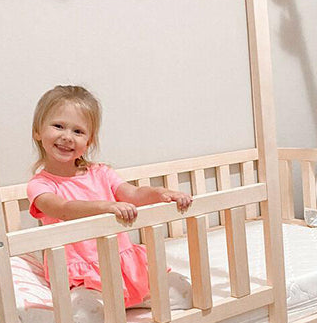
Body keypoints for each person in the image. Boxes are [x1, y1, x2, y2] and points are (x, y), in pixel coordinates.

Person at [27, 85, 193, 311]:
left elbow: (133, 194)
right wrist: (106, 207)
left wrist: (161, 193)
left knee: (182, 292)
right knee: (89, 311)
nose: (67, 137)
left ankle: (134, 297)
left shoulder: (101, 173)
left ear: (89, 141)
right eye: (58, 126)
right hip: (80, 271)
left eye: (78, 131)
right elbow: (63, 209)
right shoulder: (40, 185)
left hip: (120, 261)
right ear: (38, 131)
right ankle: (103, 304)